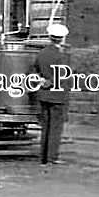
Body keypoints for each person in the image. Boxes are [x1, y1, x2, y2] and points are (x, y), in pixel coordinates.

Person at [33, 23, 71, 166]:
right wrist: (49, 82)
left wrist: (41, 81)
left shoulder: (41, 53)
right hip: (57, 97)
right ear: (62, 39)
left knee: (46, 127)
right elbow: (61, 76)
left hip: (43, 95)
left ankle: (43, 157)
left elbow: (33, 70)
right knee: (55, 128)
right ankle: (52, 157)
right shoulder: (61, 56)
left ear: (50, 37)